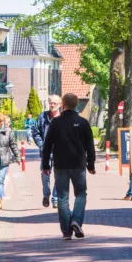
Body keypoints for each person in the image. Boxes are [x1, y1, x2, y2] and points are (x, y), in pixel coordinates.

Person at [42, 93, 96, 240]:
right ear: (76, 105)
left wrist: (45, 165)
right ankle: (76, 221)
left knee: (62, 197)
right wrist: (91, 164)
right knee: (81, 194)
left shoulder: (55, 123)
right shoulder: (83, 123)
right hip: (78, 164)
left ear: (63, 105)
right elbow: (90, 146)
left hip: (60, 164)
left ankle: (66, 231)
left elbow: (47, 146)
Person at [31, 95, 62, 208]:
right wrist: (41, 145)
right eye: (50, 103)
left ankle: (55, 198)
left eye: (54, 103)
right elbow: (35, 132)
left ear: (60, 105)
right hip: (46, 152)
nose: (52, 105)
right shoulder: (42, 117)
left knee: (59, 176)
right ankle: (46, 194)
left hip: (60, 153)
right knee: (45, 175)